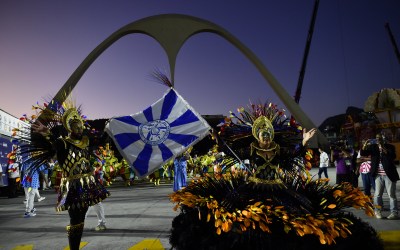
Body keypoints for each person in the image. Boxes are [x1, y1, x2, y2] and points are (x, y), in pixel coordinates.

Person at [169, 102, 381, 250]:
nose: (266, 137)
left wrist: (304, 142)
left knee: (301, 205)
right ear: (257, 136)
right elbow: (236, 152)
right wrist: (218, 139)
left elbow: (293, 153)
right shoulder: (251, 149)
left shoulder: (278, 150)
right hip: (254, 184)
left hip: (277, 185)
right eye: (263, 134)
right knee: (230, 203)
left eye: (269, 134)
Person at [18, 103, 110, 250]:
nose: (79, 129)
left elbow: (102, 139)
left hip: (88, 184)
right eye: (76, 127)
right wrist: (46, 132)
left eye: (81, 127)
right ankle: (74, 247)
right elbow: (54, 143)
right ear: (69, 128)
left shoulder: (85, 142)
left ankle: (76, 244)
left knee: (81, 217)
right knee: (75, 219)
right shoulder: (63, 143)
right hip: (73, 186)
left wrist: (109, 127)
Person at [361, 133, 399, 220]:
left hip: (389, 175)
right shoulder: (373, 147)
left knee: (391, 195)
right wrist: (365, 144)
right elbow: (363, 153)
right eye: (377, 138)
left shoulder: (390, 146)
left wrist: (382, 147)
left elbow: (392, 156)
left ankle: (394, 213)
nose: (378, 139)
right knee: (377, 194)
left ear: (383, 138)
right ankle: (377, 211)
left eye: (380, 138)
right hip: (378, 175)